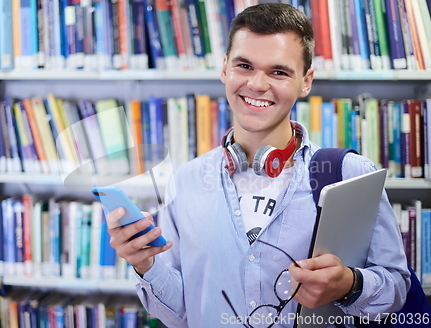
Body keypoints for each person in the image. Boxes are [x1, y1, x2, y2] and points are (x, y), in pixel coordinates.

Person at [106, 3, 410, 327]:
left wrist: (350, 285)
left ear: (306, 81)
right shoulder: (187, 180)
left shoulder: (351, 175)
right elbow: (181, 313)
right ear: (224, 68)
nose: (257, 84)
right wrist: (146, 266)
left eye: (278, 72)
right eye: (244, 65)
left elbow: (396, 289)